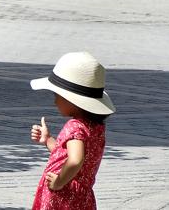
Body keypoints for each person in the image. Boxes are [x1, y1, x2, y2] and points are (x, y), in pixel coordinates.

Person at [28, 52, 114, 210]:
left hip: (63, 195)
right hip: (81, 196)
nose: (55, 101)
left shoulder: (75, 126)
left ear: (71, 99)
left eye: (57, 95)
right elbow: (66, 155)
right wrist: (48, 140)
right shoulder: (95, 127)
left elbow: (75, 160)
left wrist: (58, 182)